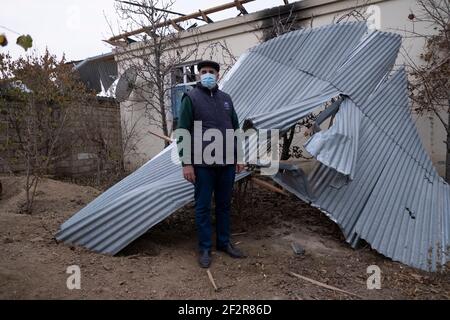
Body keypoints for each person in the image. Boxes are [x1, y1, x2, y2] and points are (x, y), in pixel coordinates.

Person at [176, 60, 245, 268]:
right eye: (203, 72)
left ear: (218, 75)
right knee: (203, 207)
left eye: (211, 72)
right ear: (198, 75)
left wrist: (239, 156)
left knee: (224, 206)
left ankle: (224, 243)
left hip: (226, 164)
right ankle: (205, 248)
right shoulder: (191, 97)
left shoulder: (226, 99)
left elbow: (235, 128)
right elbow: (182, 131)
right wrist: (186, 163)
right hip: (202, 164)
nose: (207, 74)